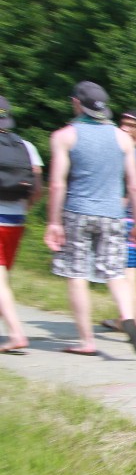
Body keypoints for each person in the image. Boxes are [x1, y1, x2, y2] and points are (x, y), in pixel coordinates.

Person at [44, 82, 136, 357]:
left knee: (77, 275)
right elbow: (134, 187)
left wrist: (53, 222)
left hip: (77, 212)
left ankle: (86, 341)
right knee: (115, 273)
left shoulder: (64, 136)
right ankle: (128, 318)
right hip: (113, 215)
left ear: (76, 103)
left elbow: (57, 184)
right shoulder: (122, 138)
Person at [102, 109, 136, 335]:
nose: (124, 128)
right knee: (126, 274)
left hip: (130, 222)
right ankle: (123, 320)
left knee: (126, 276)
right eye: (122, 123)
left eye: (131, 125)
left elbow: (130, 192)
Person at [0, 94, 44, 353]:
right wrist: (25, 208)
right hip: (16, 222)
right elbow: (37, 189)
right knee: (2, 278)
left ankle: (16, 333)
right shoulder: (26, 146)